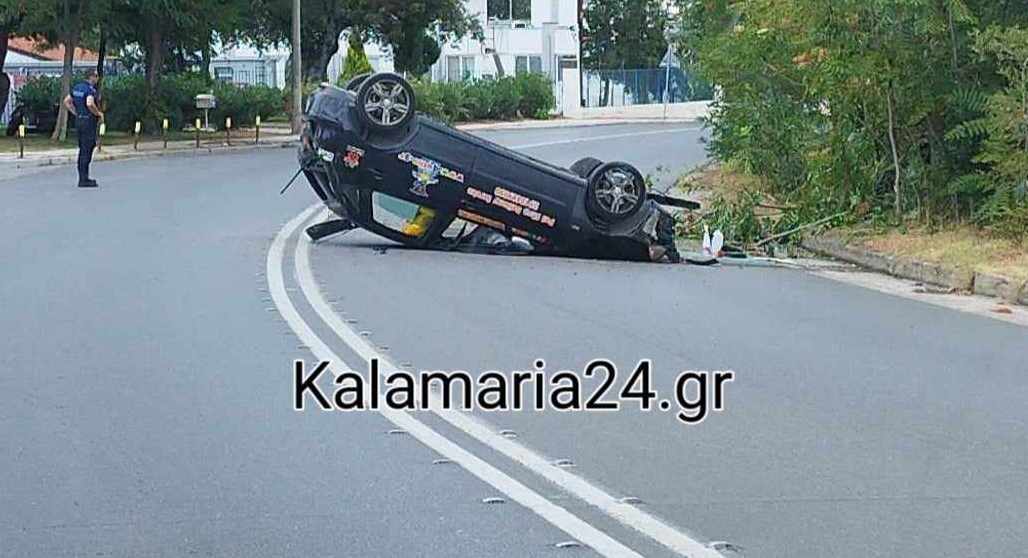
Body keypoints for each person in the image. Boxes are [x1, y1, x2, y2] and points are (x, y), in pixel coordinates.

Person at [63, 70, 104, 188]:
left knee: (82, 149)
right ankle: (84, 179)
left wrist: (76, 113)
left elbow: (66, 101)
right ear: (91, 77)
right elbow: (90, 103)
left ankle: (83, 176)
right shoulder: (89, 90)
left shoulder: (77, 88)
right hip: (88, 123)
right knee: (87, 149)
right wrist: (98, 113)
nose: (97, 78)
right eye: (96, 76)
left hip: (79, 121)